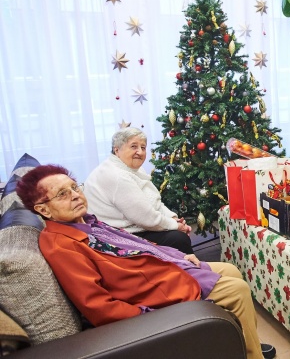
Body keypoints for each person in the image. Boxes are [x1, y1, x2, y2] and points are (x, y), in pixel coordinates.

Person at [16, 165, 276, 359]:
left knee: (230, 269)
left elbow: (138, 246)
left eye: (75, 187)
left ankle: (240, 340)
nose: (75, 195)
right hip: (150, 297)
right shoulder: (61, 245)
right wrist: (147, 317)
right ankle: (252, 355)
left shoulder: (86, 223)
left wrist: (178, 256)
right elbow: (98, 307)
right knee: (237, 290)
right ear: (43, 209)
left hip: (161, 274)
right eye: (62, 193)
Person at [84, 127, 194, 254]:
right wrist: (177, 226)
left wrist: (173, 218)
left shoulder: (132, 169)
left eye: (143, 147)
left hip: (135, 226)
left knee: (177, 235)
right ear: (117, 150)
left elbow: (154, 202)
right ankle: (194, 271)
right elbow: (146, 217)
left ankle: (194, 270)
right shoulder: (117, 176)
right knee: (178, 239)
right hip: (117, 237)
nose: (140, 152)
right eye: (134, 146)